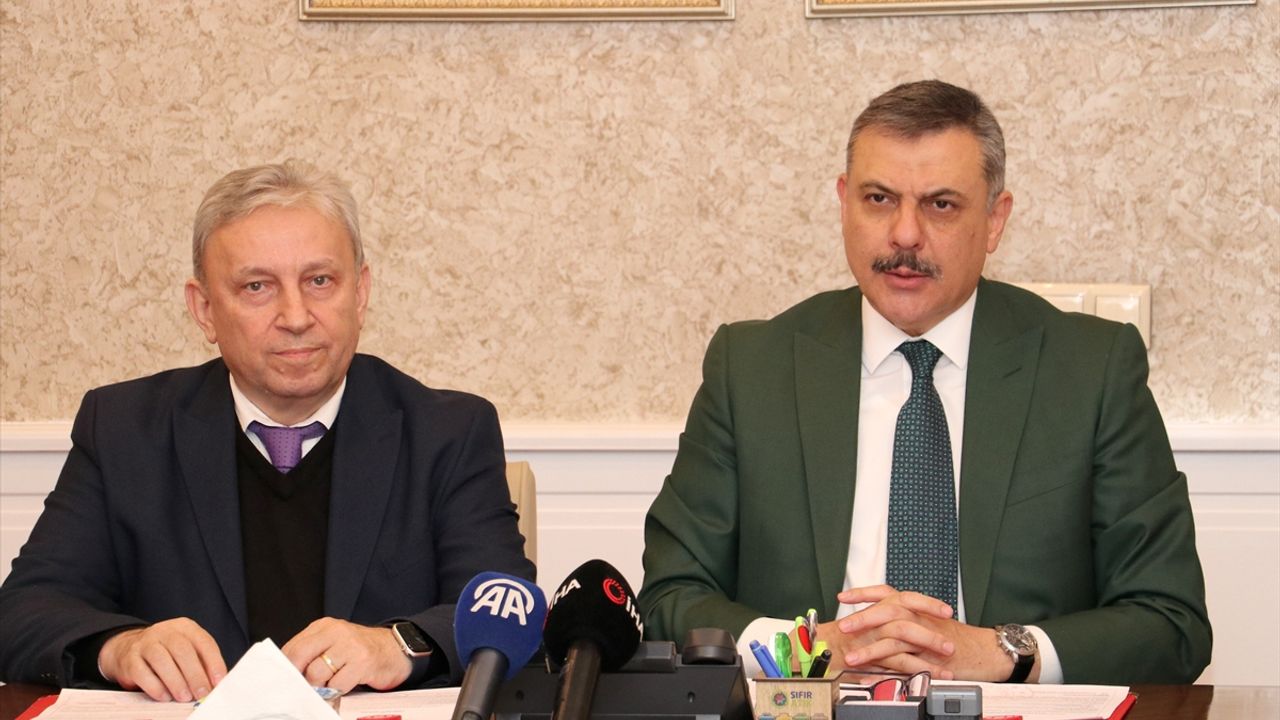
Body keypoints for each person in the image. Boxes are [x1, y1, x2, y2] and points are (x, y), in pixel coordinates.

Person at [638, 80, 1211, 685]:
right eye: (879, 199)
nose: (905, 234)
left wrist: (1001, 652)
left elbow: (1170, 623)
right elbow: (670, 596)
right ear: (844, 204)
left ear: (994, 221)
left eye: (940, 205)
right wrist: (804, 651)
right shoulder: (752, 367)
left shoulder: (1091, 370)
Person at [0, 161, 535, 701]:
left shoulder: (448, 433)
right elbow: (23, 611)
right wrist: (120, 648)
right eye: (257, 286)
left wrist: (398, 644)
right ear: (204, 309)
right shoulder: (124, 431)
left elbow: (506, 607)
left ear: (360, 292)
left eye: (320, 281)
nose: (296, 316)